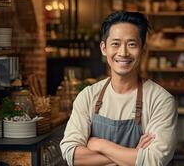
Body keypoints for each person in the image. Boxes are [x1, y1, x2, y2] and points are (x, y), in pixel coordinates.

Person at [60, 11, 178, 166]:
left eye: (132, 44)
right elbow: (71, 154)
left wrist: (100, 144)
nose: (123, 52)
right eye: (115, 44)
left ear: (143, 49)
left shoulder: (160, 100)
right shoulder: (88, 96)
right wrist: (133, 154)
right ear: (104, 48)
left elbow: (154, 160)